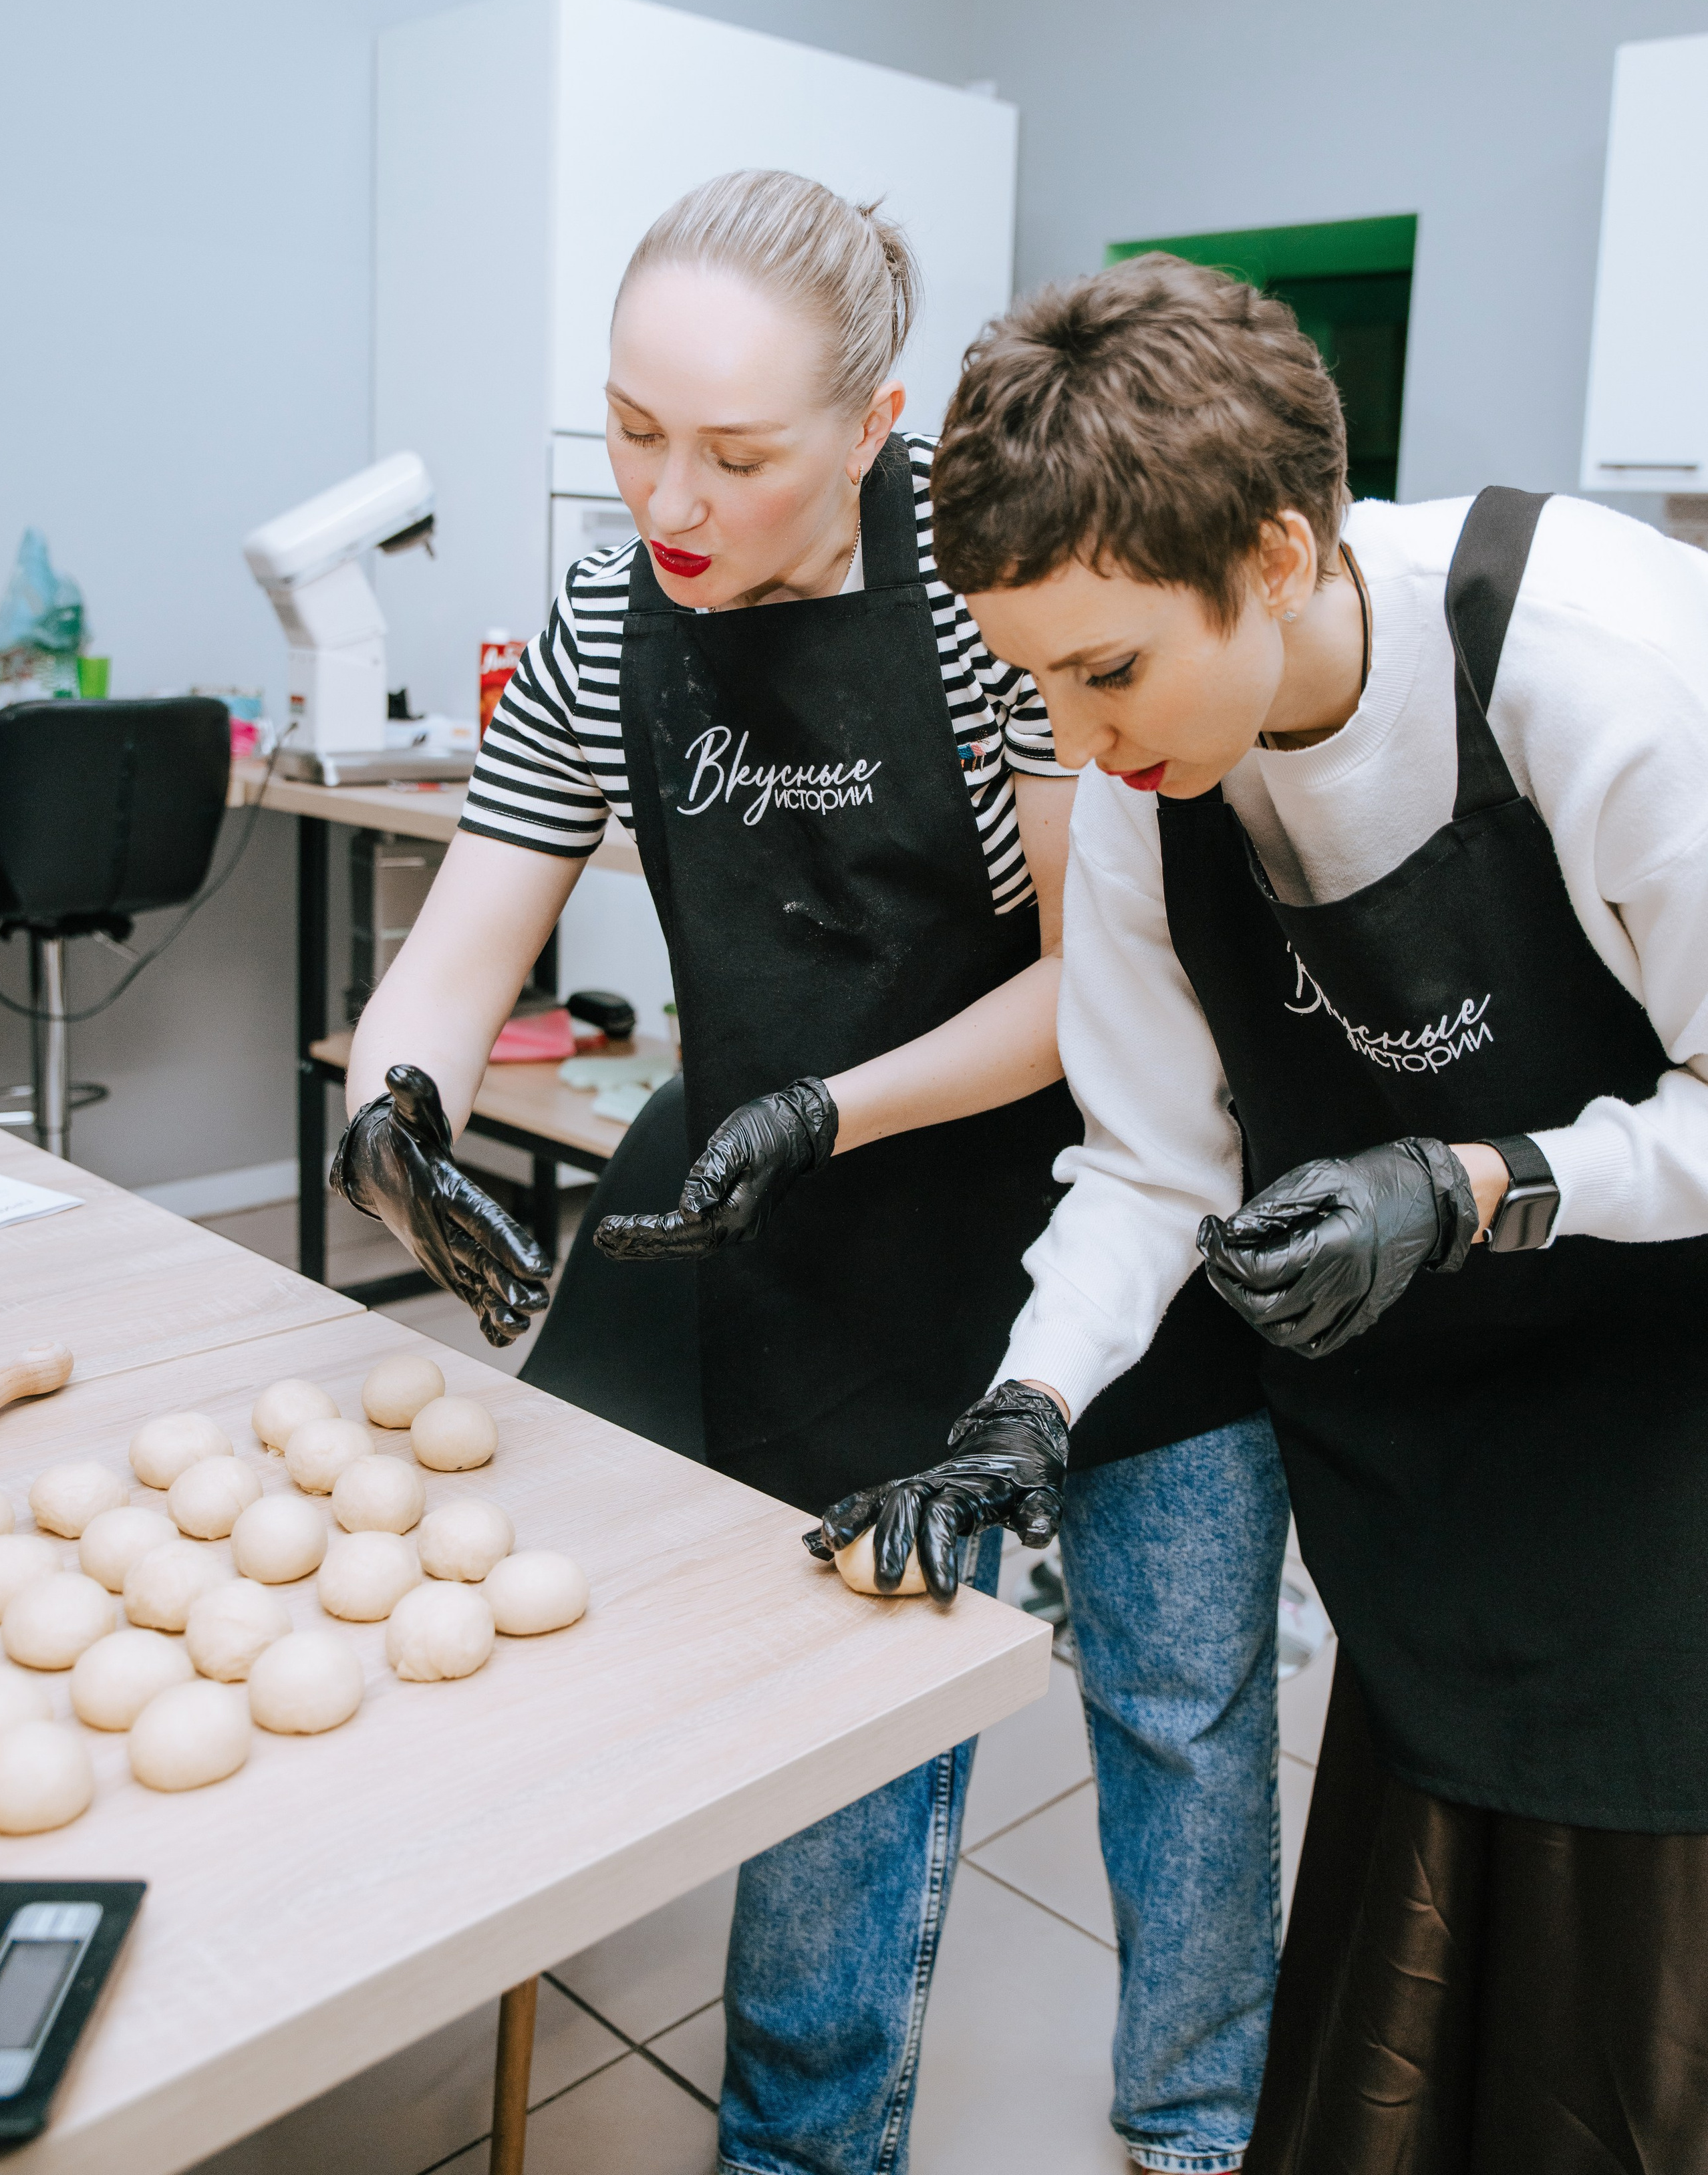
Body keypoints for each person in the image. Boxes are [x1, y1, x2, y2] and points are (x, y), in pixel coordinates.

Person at [333, 174, 1286, 2175]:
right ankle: (796, 2151)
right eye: (631, 428)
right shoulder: (616, 609)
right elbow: (471, 922)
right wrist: (391, 1107)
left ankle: (1201, 2131)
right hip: (826, 1264)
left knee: (1183, 1717)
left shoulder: (983, 584)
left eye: (737, 455)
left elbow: (1088, 985)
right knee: (837, 1770)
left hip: (1114, 1211)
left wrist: (826, 1102)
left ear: (871, 429)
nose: (668, 499)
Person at [825, 250, 1708, 2174]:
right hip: (1435, 1458)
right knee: (1425, 1973)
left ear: (1285, 549)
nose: (1078, 736)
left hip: (1667, 1443)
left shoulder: (1603, 674)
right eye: (1035, 679)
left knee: (1629, 2014)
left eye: (1108, 667)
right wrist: (1024, 1409)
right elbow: (1152, 1158)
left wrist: (1477, 1183)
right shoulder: (1151, 767)